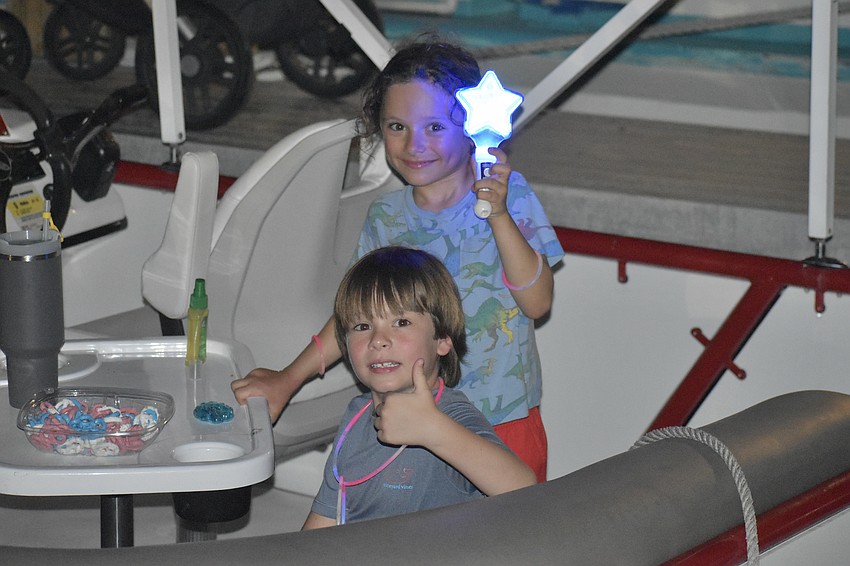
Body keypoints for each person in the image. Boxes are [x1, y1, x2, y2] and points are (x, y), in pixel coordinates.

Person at [232, 35, 565, 482]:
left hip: (503, 420)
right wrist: (287, 380)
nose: (413, 145)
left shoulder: (512, 195)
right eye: (396, 127)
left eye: (435, 127)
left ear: (473, 128)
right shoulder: (386, 215)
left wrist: (500, 217)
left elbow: (538, 304)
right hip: (409, 419)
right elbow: (355, 317)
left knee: (513, 545)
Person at [302, 246, 536, 529]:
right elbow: (323, 523)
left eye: (401, 322)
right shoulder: (355, 416)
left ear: (442, 340)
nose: (378, 339)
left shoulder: (450, 414)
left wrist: (432, 429)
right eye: (362, 326)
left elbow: (524, 490)